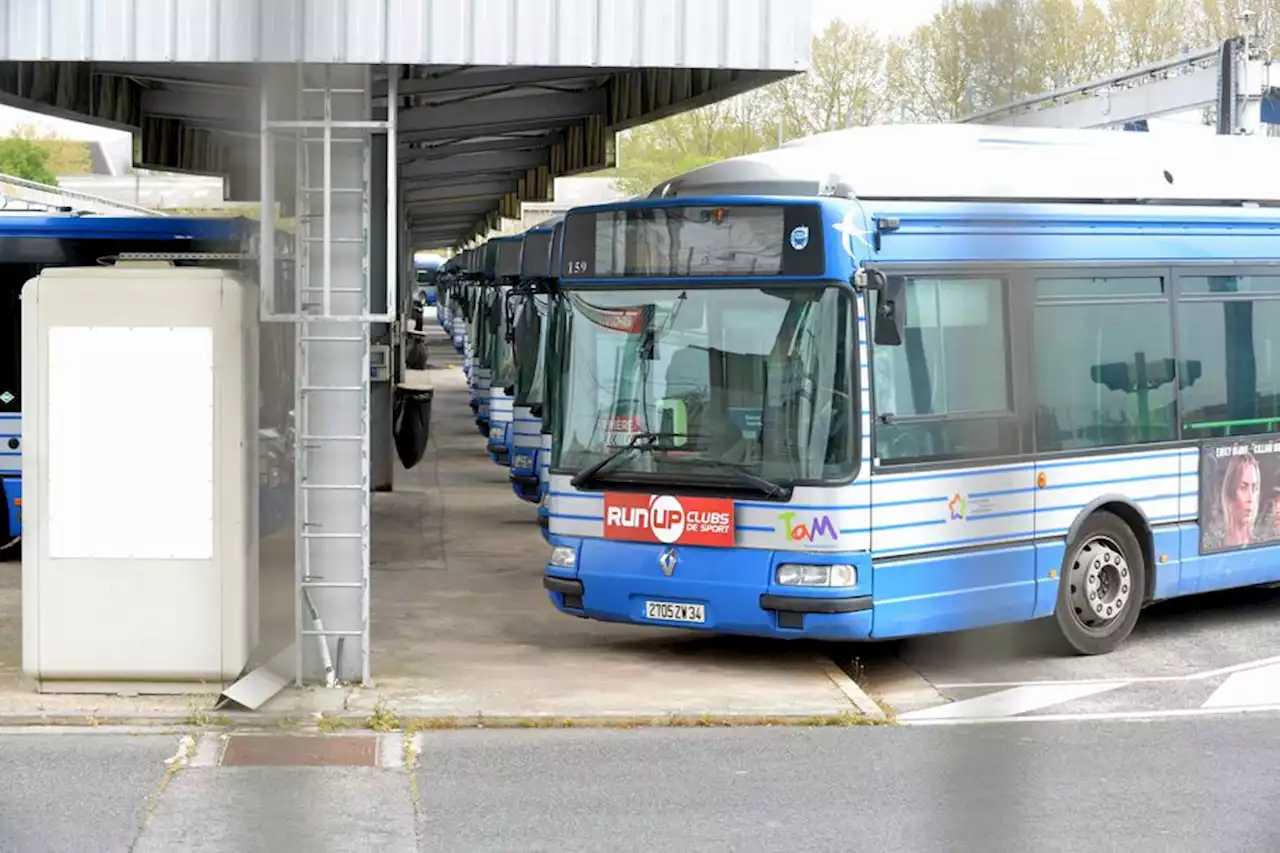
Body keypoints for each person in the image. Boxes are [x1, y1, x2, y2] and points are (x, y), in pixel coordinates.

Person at [1219, 452, 1261, 548]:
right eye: (1243, 488)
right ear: (1230, 492)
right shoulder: (1213, 542)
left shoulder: (1262, 541)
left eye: (1254, 489)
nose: (1251, 499)